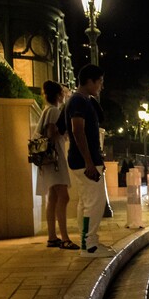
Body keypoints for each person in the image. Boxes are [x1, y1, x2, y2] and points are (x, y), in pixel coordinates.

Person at [65, 64, 116, 257]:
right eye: (100, 82)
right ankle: (90, 245)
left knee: (86, 202)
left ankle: (87, 243)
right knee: (94, 203)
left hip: (83, 160)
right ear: (89, 81)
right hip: (85, 162)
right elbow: (78, 131)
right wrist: (89, 162)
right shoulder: (78, 101)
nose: (101, 86)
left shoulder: (83, 100)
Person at [34, 80, 79, 250]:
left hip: (48, 161)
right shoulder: (54, 111)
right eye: (63, 93)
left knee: (52, 197)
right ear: (59, 95)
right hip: (55, 160)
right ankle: (65, 238)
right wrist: (63, 132)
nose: (65, 95)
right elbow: (52, 132)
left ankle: (52, 237)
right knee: (63, 197)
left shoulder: (47, 110)